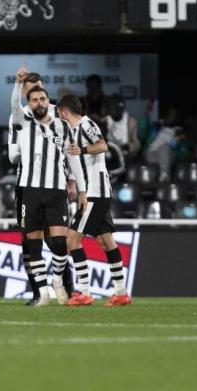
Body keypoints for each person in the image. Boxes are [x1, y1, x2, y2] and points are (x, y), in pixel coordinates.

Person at [11, 66, 87, 306]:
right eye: (33, 98)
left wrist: (81, 187)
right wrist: (16, 84)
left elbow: (73, 157)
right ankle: (41, 293)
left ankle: (59, 281)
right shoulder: (21, 119)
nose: (39, 101)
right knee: (31, 242)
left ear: (48, 99)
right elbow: (14, 107)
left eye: (42, 97)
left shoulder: (62, 125)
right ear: (28, 101)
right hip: (29, 189)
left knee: (58, 242)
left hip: (56, 190)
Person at [56, 94, 132, 306]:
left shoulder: (86, 124)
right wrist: (72, 180)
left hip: (93, 193)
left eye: (58, 112)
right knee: (106, 241)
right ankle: (121, 292)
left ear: (63, 111)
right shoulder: (73, 130)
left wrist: (82, 149)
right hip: (97, 192)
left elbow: (102, 145)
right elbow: (79, 162)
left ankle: (84, 292)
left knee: (72, 239)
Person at [103, 94, 140, 160]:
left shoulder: (131, 122)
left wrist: (129, 147)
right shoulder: (104, 121)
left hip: (127, 157)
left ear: (121, 108)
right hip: (109, 156)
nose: (112, 110)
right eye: (110, 107)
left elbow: (137, 145)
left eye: (114, 107)